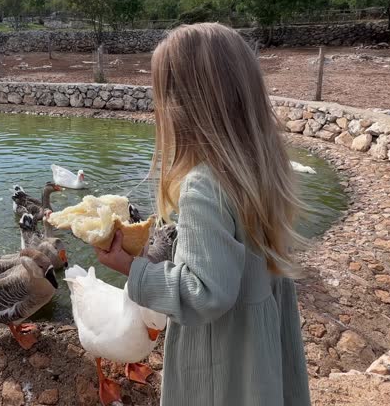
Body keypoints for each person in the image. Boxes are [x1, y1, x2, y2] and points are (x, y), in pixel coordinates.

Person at [96, 23, 311, 406]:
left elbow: (205, 294)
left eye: (161, 95)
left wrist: (132, 268)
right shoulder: (262, 166)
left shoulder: (202, 187)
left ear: (182, 106)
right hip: (257, 341)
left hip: (222, 356)